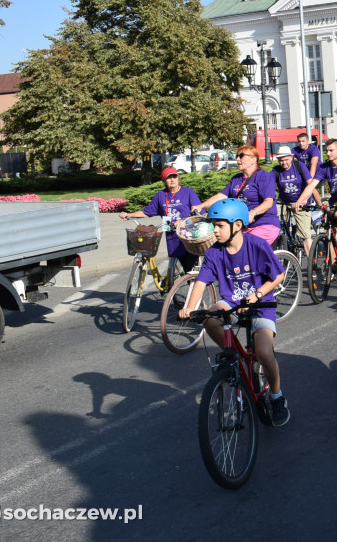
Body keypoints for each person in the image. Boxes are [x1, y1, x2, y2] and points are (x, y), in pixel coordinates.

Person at [180, 198, 290, 426]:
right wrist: (190, 308)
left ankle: (277, 396)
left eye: (219, 225)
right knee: (210, 317)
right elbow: (201, 281)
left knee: (263, 352)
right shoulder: (213, 253)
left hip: (261, 304)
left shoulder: (257, 245)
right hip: (231, 301)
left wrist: (258, 294)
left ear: (237, 225)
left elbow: (278, 276)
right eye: (213, 225)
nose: (215, 231)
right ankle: (233, 355)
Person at [119, 167, 201, 273]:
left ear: (178, 178)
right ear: (164, 181)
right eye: (169, 178)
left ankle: (192, 284)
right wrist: (128, 215)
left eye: (174, 176)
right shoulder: (160, 195)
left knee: (190, 268)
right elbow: (146, 212)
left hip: (189, 234)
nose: (172, 180)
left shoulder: (188, 192)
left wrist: (183, 221)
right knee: (182, 264)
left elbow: (199, 212)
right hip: (172, 235)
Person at [195, 144, 280, 246]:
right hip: (241, 226)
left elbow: (269, 202)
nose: (238, 159)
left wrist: (252, 213)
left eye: (241, 156)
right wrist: (201, 206)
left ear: (253, 160)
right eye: (237, 156)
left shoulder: (263, 176)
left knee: (248, 249)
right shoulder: (236, 178)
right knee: (226, 248)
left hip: (263, 224)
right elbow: (221, 196)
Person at [294, 138, 337, 253]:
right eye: (326, 151)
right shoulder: (323, 167)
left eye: (331, 150)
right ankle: (334, 264)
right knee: (327, 229)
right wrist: (299, 201)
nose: (328, 153)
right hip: (335, 199)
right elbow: (311, 186)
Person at [273, 147, 315, 257]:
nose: (284, 162)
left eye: (286, 159)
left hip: (301, 200)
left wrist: (303, 200)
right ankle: (275, 254)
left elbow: (310, 184)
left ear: (291, 157)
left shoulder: (299, 166)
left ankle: (312, 266)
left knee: (305, 235)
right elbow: (267, 185)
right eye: (281, 160)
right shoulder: (276, 170)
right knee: (271, 220)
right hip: (284, 201)